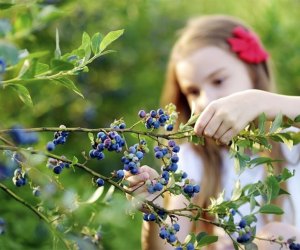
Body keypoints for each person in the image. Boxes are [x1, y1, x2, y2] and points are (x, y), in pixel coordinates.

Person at [126, 15, 300, 250]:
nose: (206, 100)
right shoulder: (194, 160)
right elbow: (168, 246)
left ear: (253, 72)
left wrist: (260, 102)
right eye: (193, 91)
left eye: (218, 80)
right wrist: (155, 211)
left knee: (277, 236)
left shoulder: (293, 138)